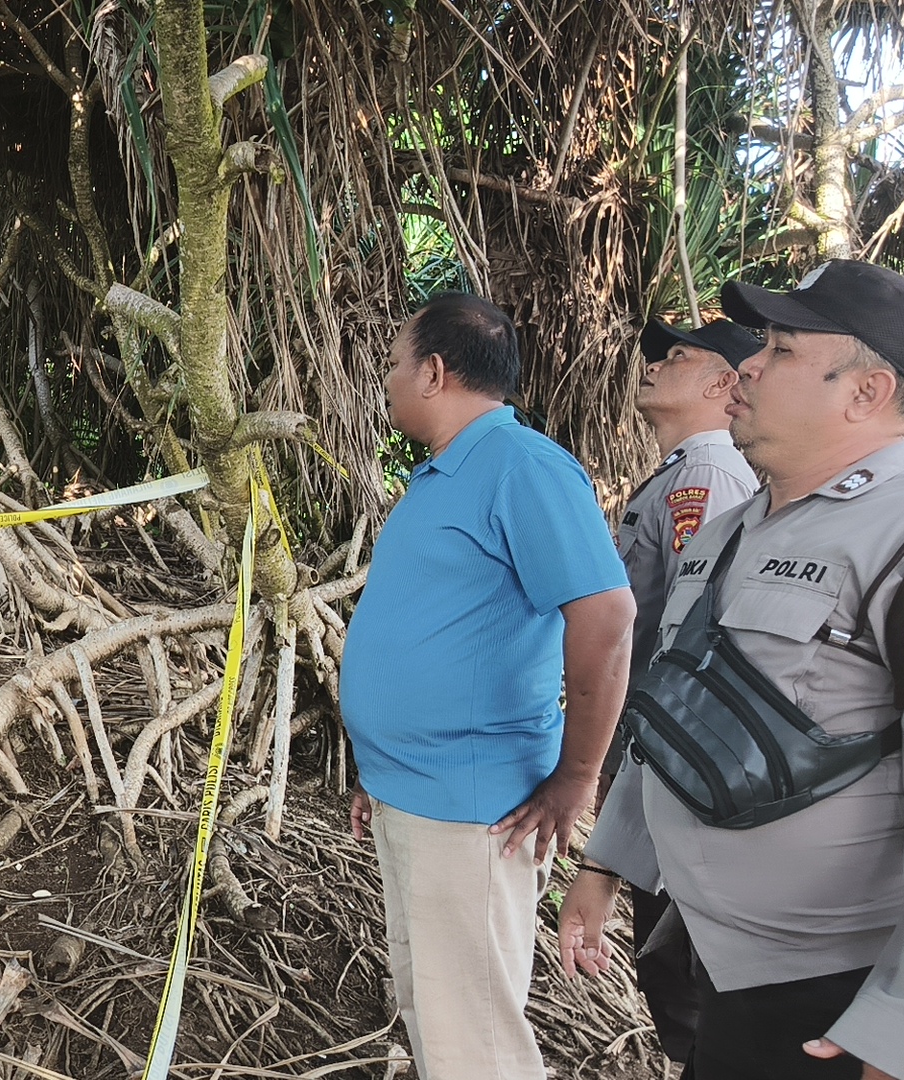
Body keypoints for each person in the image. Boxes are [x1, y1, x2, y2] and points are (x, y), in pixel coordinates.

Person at [560, 260, 904, 1080]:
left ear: (865, 391)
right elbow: (677, 715)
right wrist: (608, 860)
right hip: (739, 971)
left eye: (782, 349)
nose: (748, 366)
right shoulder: (731, 532)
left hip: (865, 993)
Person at [341, 292, 635, 1080]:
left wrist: (577, 778)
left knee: (476, 1047)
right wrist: (383, 770)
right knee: (439, 1023)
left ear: (435, 372)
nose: (389, 379)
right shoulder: (441, 478)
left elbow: (606, 618)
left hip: (475, 814)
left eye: (396, 363)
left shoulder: (524, 468)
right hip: (417, 798)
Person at [601, 316, 760, 1065]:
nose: (656, 364)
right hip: (656, 761)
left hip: (676, 765)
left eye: (678, 355)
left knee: (683, 977)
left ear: (724, 383)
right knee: (669, 972)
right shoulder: (681, 474)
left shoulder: (709, 478)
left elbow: (691, 639)